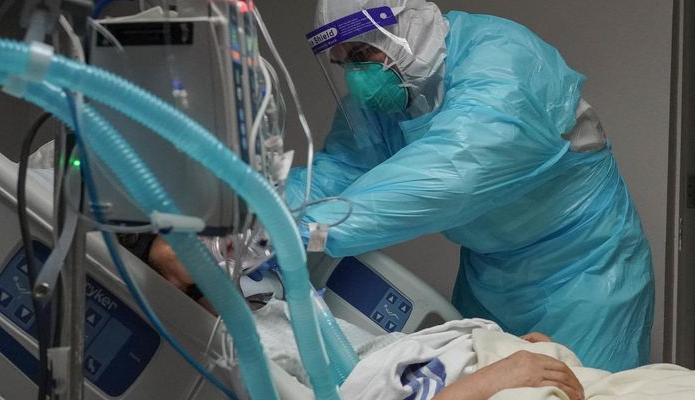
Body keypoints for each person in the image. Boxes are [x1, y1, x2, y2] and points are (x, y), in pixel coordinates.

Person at [288, 0, 653, 371]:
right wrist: (264, 209)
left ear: (410, 26)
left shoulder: (501, 58)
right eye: (344, 62)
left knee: (585, 387)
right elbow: (342, 170)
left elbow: (453, 172)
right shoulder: (389, 101)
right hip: (489, 277)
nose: (356, 76)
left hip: (584, 271)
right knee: (485, 384)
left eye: (363, 54)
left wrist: (299, 231)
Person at [117, 232, 586, 400]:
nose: (215, 243)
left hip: (467, 367)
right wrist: (491, 379)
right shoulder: (237, 356)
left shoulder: (274, 309)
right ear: (166, 283)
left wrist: (499, 352)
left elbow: (377, 360)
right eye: (181, 245)